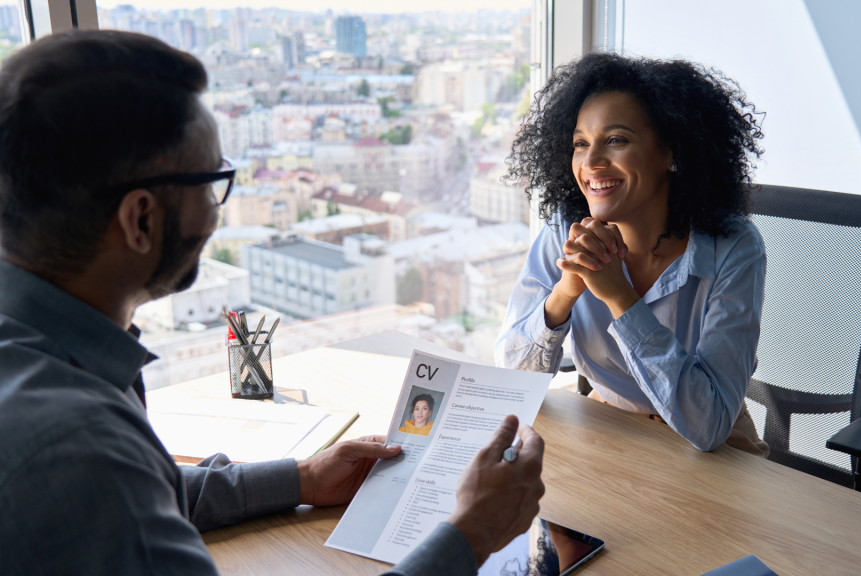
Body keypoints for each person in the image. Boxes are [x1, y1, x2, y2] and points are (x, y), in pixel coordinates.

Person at [0, 31, 545, 576]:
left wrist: (302, 478)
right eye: (213, 183)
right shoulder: (74, 446)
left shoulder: (40, 360)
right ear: (140, 219)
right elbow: (105, 485)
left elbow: (138, 497)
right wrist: (473, 533)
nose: (216, 215)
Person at [497, 52, 770, 457]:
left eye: (616, 140)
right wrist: (565, 293)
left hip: (713, 452)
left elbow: (709, 424)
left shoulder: (733, 247)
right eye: (580, 144)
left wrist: (619, 297)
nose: (590, 163)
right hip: (609, 430)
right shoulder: (566, 228)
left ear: (671, 151)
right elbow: (511, 377)